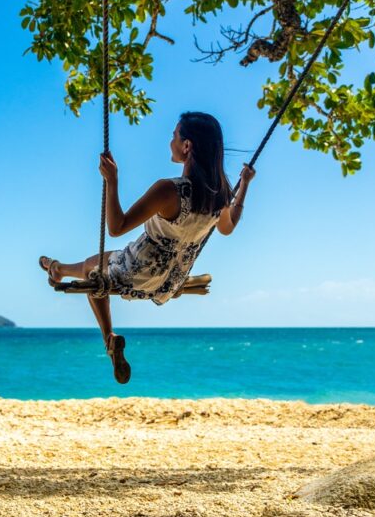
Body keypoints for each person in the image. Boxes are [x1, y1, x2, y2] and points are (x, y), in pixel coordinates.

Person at [40, 111, 256, 384]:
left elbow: (117, 227)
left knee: (93, 275)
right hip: (169, 282)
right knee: (94, 263)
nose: (170, 142)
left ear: (186, 146)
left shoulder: (169, 191)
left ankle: (109, 339)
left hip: (137, 270)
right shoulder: (220, 195)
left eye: (174, 136)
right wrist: (244, 185)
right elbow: (227, 227)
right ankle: (57, 269)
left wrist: (112, 180)